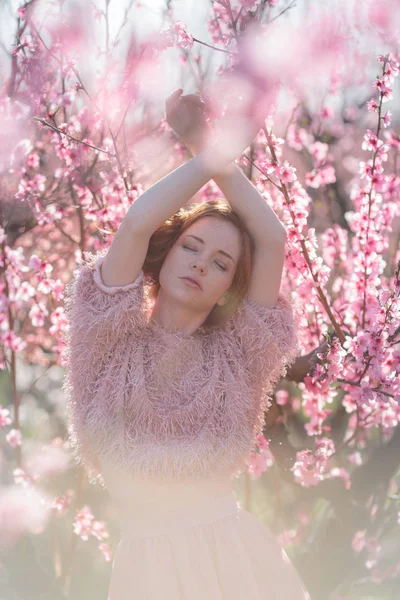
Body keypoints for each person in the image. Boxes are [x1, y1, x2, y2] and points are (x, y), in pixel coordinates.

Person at [62, 89, 311, 599]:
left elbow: (273, 237)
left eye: (221, 262)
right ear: (166, 254)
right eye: (191, 247)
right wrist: (207, 152)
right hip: (146, 567)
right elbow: (136, 223)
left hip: (236, 559)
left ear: (232, 288)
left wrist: (210, 146)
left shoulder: (241, 355)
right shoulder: (108, 341)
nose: (200, 263)